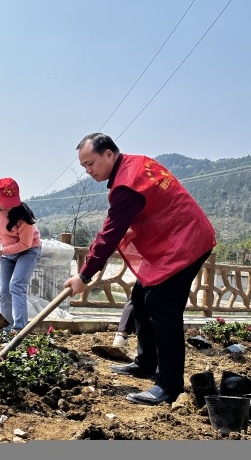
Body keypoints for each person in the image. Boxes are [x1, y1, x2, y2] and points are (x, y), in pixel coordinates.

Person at [64, 133, 215, 406]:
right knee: (140, 300)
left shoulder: (126, 183)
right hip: (178, 237)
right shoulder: (136, 164)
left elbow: (110, 233)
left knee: (162, 307)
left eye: (90, 163)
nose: (88, 171)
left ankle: (169, 386)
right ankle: (146, 363)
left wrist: (84, 274)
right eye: (84, 166)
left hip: (185, 243)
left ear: (108, 154)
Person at [0, 177, 42, 334]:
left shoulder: (24, 217)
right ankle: (7, 329)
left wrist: (2, 251)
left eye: (12, 200)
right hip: (7, 251)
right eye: (5, 200)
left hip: (28, 251)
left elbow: (25, 244)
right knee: (4, 290)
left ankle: (19, 330)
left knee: (16, 286)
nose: (9, 205)